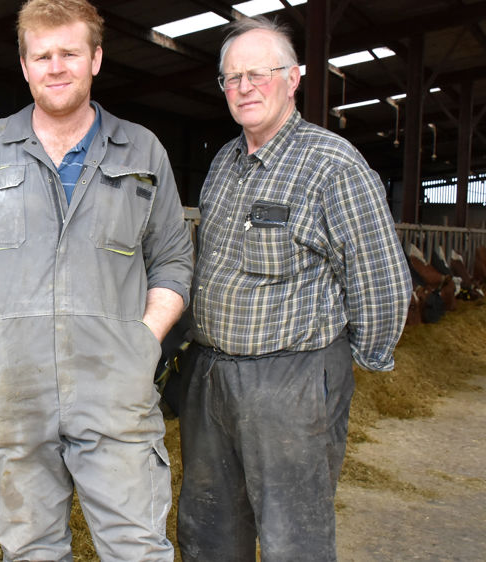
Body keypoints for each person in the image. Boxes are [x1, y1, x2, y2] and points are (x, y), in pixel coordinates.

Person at [0, 0, 193, 559]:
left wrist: (143, 342)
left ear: (95, 58)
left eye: (69, 52)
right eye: (41, 55)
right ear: (24, 66)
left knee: (137, 546)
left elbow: (172, 258)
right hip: (11, 392)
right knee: (30, 548)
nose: (56, 66)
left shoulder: (142, 150)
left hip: (115, 391)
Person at [178, 16, 412, 562]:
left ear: (295, 78)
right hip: (212, 374)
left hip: (293, 380)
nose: (244, 87)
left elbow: (381, 279)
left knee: (292, 538)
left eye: (259, 73)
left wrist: (343, 367)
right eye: (231, 78)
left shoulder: (332, 164)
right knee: (208, 529)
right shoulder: (223, 163)